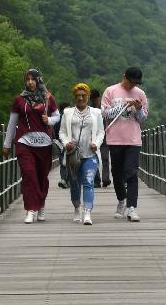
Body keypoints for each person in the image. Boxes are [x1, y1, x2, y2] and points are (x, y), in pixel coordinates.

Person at [3, 69, 60, 223]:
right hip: (24, 142)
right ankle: (30, 209)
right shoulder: (19, 100)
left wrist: (49, 120)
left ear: (38, 80)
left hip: (44, 143)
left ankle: (40, 205)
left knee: (42, 177)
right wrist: (7, 143)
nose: (30, 82)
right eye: (27, 79)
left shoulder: (48, 98)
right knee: (29, 175)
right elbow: (12, 123)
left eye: (33, 79)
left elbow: (57, 116)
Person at [102, 67, 149, 222]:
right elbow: (105, 114)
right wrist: (122, 105)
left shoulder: (140, 94)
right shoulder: (110, 91)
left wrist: (138, 108)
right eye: (131, 82)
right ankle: (122, 199)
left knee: (131, 173)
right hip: (115, 139)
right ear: (124, 77)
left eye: (136, 83)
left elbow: (142, 119)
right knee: (116, 173)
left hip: (133, 140)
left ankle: (132, 207)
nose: (132, 86)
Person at [59, 83, 104, 225]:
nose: (80, 98)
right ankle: (77, 208)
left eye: (83, 96)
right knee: (75, 183)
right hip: (73, 155)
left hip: (90, 154)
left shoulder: (96, 113)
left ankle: (87, 211)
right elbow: (62, 132)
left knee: (89, 182)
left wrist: (96, 143)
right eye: (78, 96)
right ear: (74, 97)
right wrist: (66, 142)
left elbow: (101, 132)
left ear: (88, 96)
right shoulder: (67, 113)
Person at [90, 89, 111, 188]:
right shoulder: (89, 109)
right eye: (92, 100)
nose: (94, 101)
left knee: (105, 158)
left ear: (98, 98)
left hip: (104, 136)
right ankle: (96, 180)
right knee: (94, 158)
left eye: (95, 99)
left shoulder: (104, 109)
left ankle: (106, 179)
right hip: (93, 137)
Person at [56, 101, 71, 188]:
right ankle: (66, 180)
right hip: (65, 143)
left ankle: (64, 179)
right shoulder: (61, 119)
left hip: (63, 144)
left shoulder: (58, 119)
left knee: (64, 162)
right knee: (66, 162)